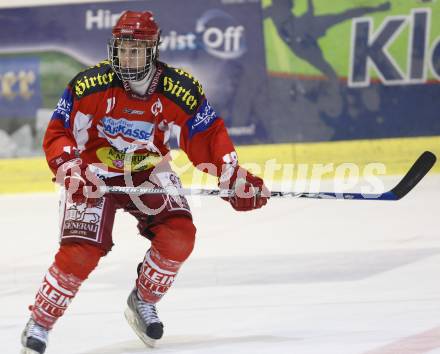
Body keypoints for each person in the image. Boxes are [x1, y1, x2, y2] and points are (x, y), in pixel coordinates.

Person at [20, 10, 269, 354]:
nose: (127, 56)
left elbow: (207, 135)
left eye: (136, 49)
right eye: (122, 48)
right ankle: (40, 323)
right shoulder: (89, 84)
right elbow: (60, 132)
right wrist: (72, 168)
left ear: (153, 50)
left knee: (180, 235)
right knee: (81, 252)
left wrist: (233, 177)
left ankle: (142, 300)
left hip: (148, 167)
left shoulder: (179, 89)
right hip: (94, 171)